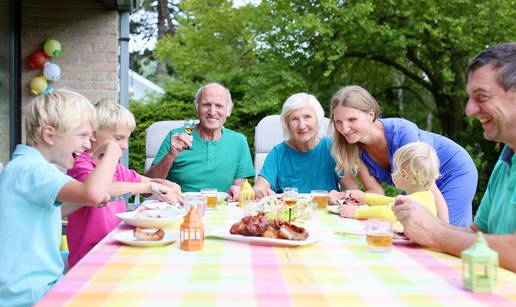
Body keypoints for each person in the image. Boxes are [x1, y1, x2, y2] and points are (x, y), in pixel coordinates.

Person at [393, 43, 516, 272]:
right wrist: (423, 224)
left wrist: (436, 233)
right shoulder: (505, 162)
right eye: (470, 98)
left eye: (481, 96)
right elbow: (477, 236)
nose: (469, 110)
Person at [0, 89, 122, 305]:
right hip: (29, 294)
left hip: (28, 288)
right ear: (49, 135)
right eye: (83, 135)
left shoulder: (22, 166)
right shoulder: (34, 170)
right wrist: (112, 150)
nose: (88, 143)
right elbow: (92, 193)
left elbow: (50, 210)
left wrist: (84, 199)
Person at [330, 85, 479, 226]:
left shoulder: (403, 133)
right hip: (426, 185)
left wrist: (444, 229)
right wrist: (353, 200)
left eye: (352, 120)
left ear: (371, 115)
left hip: (453, 170)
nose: (344, 128)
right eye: (338, 122)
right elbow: (375, 191)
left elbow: (430, 190)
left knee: (441, 232)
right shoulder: (354, 147)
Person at [65, 100, 182, 269]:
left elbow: (144, 180)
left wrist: (168, 184)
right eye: (119, 138)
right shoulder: (80, 164)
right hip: (88, 258)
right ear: (93, 134)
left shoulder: (116, 168)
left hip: (114, 249)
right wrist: (150, 187)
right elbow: (99, 190)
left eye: (127, 138)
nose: (125, 146)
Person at [253, 93, 380, 199]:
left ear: (317, 119)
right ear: (287, 125)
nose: (302, 125)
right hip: (290, 217)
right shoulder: (278, 152)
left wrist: (340, 196)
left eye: (307, 117)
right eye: (294, 119)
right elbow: (259, 187)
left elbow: (352, 191)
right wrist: (261, 192)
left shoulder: (333, 147)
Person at [144, 82, 255, 200]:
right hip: (180, 210)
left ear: (229, 110)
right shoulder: (176, 137)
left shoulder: (239, 141)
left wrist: (237, 193)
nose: (212, 111)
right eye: (206, 105)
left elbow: (239, 193)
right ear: (196, 107)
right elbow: (146, 191)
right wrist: (171, 155)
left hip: (222, 211)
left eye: (219, 106)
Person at [340, 142, 445, 227]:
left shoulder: (414, 201)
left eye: (395, 169)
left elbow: (389, 212)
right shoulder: (423, 197)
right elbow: (391, 202)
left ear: (404, 174)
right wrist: (365, 197)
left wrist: (355, 213)